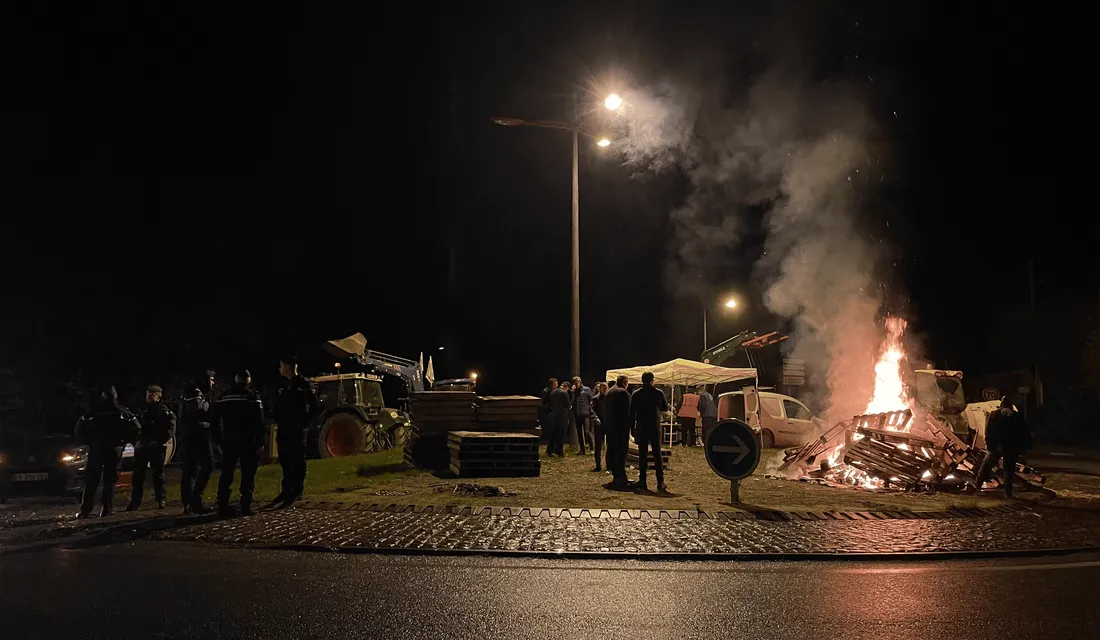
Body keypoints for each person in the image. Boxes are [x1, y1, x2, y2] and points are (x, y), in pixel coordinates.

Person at [74, 386, 141, 518]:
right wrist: (126, 441)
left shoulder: (94, 411)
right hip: (114, 449)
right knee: (109, 481)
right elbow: (137, 428)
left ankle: (86, 510)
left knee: (92, 480)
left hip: (97, 449)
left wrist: (88, 442)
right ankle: (106, 510)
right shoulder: (122, 411)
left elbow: (79, 429)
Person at [211, 370, 265, 516]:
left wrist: (218, 440)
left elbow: (214, 420)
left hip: (228, 441)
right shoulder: (252, 397)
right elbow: (259, 422)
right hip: (248, 441)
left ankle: (222, 505)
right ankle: (246, 505)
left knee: (226, 473)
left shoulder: (223, 397)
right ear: (248, 380)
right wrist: (260, 441)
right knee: (248, 473)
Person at [271, 356, 319, 508]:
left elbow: (315, 406)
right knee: (285, 460)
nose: (279, 369)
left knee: (297, 460)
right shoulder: (282, 384)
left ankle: (296, 491)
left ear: (287, 367)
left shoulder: (304, 384)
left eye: (281, 366)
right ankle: (286, 490)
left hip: (297, 428)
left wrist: (304, 422)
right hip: (284, 428)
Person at [127, 384, 176, 510]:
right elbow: (134, 426)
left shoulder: (164, 411)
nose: (149, 396)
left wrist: (160, 441)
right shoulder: (142, 410)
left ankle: (161, 499)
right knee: (138, 475)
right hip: (142, 445)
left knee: (158, 474)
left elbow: (170, 428)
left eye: (152, 394)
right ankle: (135, 501)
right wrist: (136, 440)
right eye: (148, 394)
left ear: (159, 396)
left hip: (157, 446)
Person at [975, 396, 1033, 498]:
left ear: (1001, 404)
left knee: (985, 467)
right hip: (1011, 447)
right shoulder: (1017, 416)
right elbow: (1025, 432)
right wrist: (1024, 446)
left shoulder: (994, 414)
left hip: (996, 447)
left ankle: (977, 488)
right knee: (1008, 471)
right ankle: (1008, 494)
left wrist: (989, 444)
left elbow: (988, 430)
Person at [179, 372, 216, 514]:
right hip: (197, 433)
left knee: (192, 468)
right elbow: (197, 410)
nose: (213, 383)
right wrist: (210, 407)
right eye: (211, 380)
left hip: (192, 432)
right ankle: (193, 500)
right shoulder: (195, 392)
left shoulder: (191, 391)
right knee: (206, 465)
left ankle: (190, 502)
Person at [629, 371, 669, 493]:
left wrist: (633, 429)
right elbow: (665, 408)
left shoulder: (636, 394)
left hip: (642, 426)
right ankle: (660, 482)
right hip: (655, 426)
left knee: (642, 454)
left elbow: (632, 413)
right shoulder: (658, 393)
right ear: (652, 380)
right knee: (657, 454)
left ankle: (643, 481)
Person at [603, 375, 632, 489]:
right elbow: (628, 411)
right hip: (621, 427)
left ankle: (617, 476)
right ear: (625, 382)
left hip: (610, 426)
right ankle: (620, 478)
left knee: (613, 451)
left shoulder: (609, 392)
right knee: (621, 452)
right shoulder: (623, 393)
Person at [547, 380, 572, 457]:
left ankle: (550, 450)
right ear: (566, 387)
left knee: (554, 433)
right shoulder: (564, 393)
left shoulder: (553, 392)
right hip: (562, 416)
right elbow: (568, 406)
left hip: (554, 415)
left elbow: (550, 404)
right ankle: (559, 452)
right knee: (561, 434)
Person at [572, 376, 594, 456]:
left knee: (586, 431)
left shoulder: (586, 389)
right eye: (574, 383)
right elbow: (572, 402)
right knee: (579, 433)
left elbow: (591, 400)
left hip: (586, 414)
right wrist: (573, 392)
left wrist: (590, 410)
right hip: (577, 414)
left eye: (577, 382)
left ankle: (592, 448)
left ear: (580, 382)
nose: (576, 384)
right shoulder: (574, 392)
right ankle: (582, 449)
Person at [591, 381, 609, 472]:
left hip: (608, 424)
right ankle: (598, 465)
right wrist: (596, 419)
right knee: (598, 446)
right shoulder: (596, 399)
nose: (605, 390)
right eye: (603, 388)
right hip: (599, 425)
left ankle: (609, 465)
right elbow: (592, 410)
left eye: (606, 388)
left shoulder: (609, 398)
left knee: (609, 446)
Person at [538, 378, 557, 443]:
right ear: (551, 384)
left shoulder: (554, 391)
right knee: (548, 426)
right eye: (555, 384)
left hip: (552, 411)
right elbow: (543, 402)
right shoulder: (546, 391)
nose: (556, 385)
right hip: (547, 411)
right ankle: (546, 439)